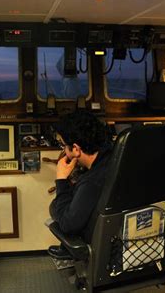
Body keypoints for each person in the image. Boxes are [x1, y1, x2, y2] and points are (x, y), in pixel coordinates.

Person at [48, 111, 112, 259]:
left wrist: (61, 180)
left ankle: (70, 249)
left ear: (76, 149)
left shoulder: (92, 181)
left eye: (63, 145)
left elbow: (67, 225)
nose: (64, 150)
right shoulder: (114, 155)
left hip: (101, 241)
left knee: (54, 207)